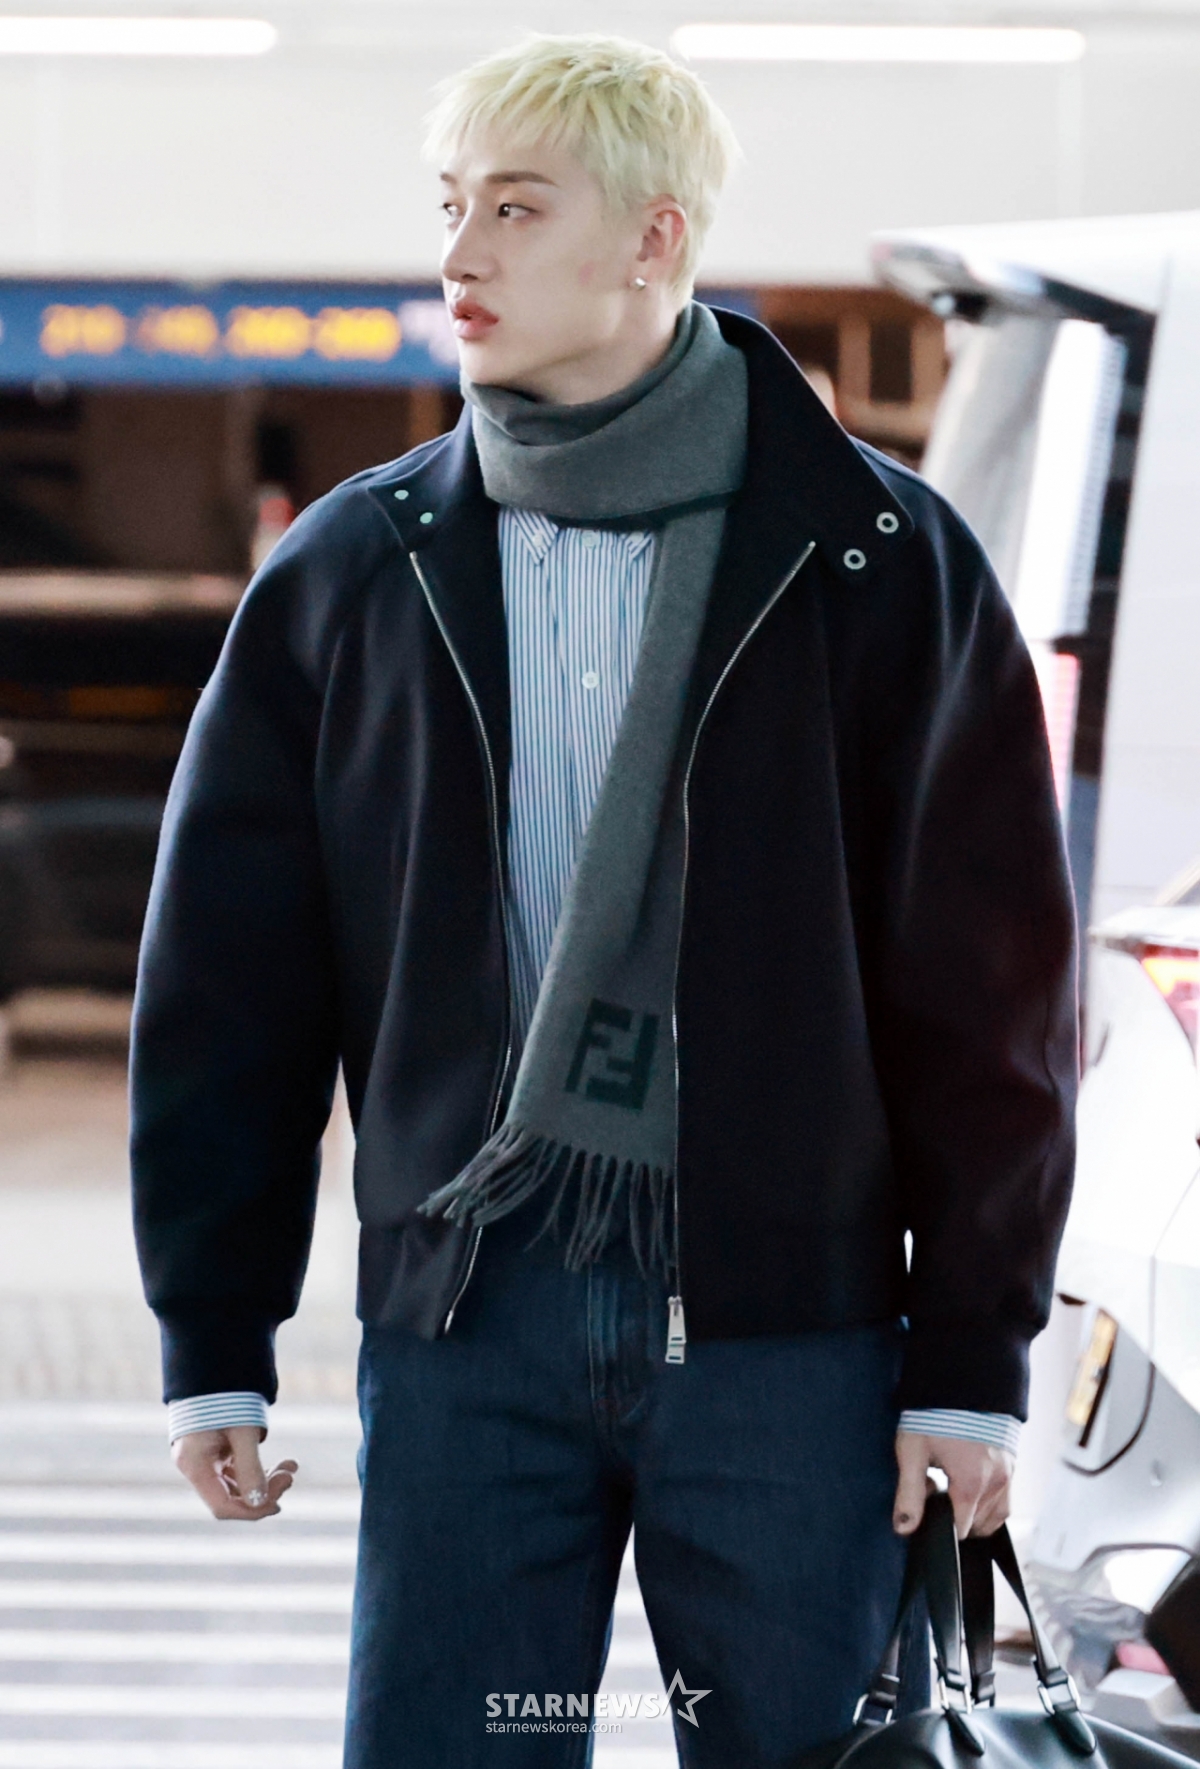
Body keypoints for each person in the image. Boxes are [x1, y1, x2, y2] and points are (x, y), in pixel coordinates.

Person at [131, 33, 1078, 1768]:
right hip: (466, 1318)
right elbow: (229, 979)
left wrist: (971, 1360)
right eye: (448, 206)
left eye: (514, 208)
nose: (457, 254)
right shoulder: (358, 569)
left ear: (656, 237)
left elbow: (989, 995)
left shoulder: (878, 564)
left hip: (794, 1340)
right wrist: (215, 1329)